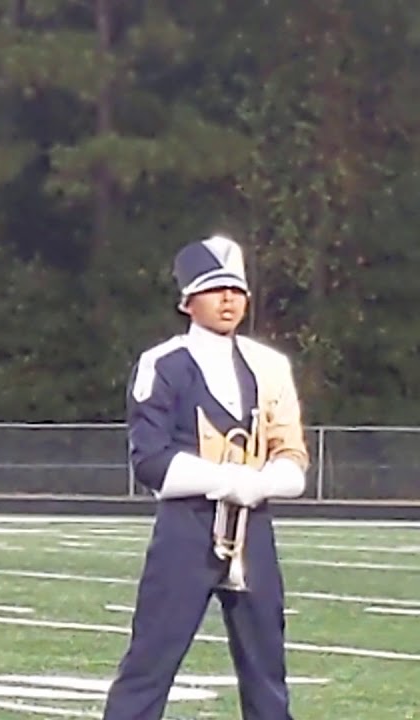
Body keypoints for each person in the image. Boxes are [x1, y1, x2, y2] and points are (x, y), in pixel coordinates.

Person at [102, 234, 309, 720]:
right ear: (187, 300)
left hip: (253, 528)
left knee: (267, 670)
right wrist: (228, 479)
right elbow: (151, 462)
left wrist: (259, 484)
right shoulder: (162, 363)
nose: (229, 300)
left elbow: (293, 457)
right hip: (187, 527)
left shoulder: (271, 366)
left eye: (236, 289)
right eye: (216, 289)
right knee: (151, 662)